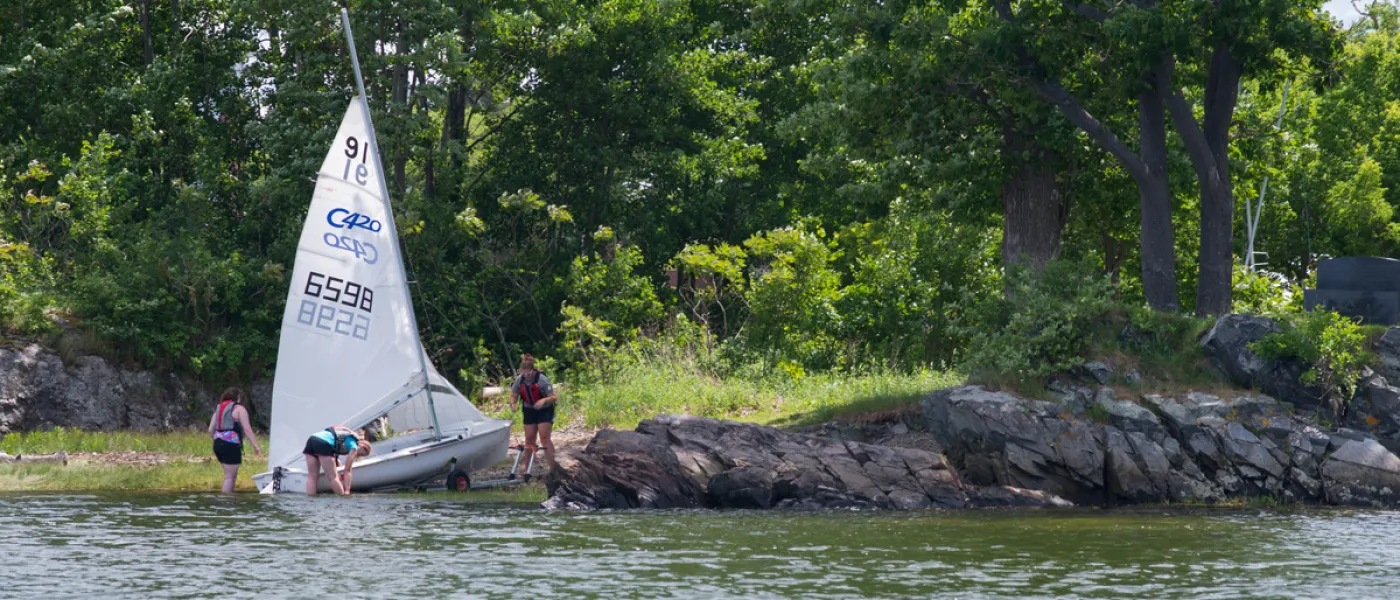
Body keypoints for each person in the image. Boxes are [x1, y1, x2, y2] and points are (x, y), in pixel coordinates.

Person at [207, 387, 262, 493]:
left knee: (229, 475)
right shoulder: (239, 409)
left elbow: (210, 429)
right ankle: (227, 502)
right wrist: (255, 446)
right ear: (238, 397)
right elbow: (247, 429)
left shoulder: (218, 408)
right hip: (230, 445)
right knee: (230, 477)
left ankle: (230, 498)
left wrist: (218, 439)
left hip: (217, 444)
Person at [509, 354, 558, 468]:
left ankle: (554, 468)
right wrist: (513, 404)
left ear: (533, 371)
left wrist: (544, 401)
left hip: (544, 409)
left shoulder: (542, 380)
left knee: (544, 437)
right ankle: (527, 470)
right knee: (529, 438)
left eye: (528, 374)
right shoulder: (519, 380)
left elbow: (553, 397)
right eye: (523, 374)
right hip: (529, 409)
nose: (526, 376)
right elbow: (513, 395)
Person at [302, 425, 372, 496]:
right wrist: (347, 490)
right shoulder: (354, 446)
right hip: (324, 442)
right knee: (333, 477)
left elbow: (334, 458)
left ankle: (311, 501)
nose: (358, 455)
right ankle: (342, 499)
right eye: (361, 454)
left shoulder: (345, 438)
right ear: (363, 447)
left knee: (312, 476)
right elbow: (347, 470)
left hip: (312, 439)